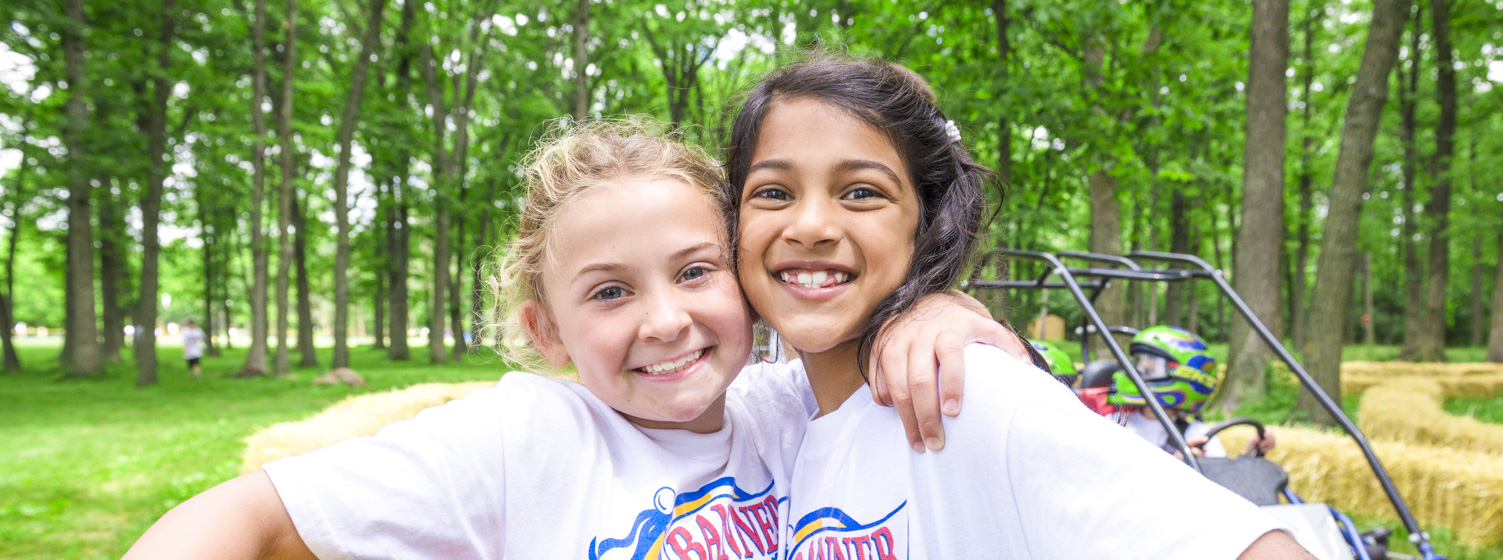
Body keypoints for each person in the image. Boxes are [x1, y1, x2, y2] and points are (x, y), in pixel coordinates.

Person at [123, 119, 1019, 559]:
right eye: (610, 292)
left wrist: (944, 309)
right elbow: (233, 520)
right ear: (545, 329)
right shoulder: (526, 438)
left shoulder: (784, 409)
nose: (664, 320)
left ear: (745, 277)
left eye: (696, 271)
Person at [724, 56, 1310, 558]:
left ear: (926, 222)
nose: (812, 226)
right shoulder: (771, 417)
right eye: (773, 192)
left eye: (862, 192)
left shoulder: (964, 393)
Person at [1106, 325, 1277, 458]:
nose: (1138, 372)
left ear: (1186, 376)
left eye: (1151, 367)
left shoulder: (1198, 433)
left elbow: (1223, 488)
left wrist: (1251, 456)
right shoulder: (1114, 426)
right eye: (1139, 365)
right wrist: (1176, 464)